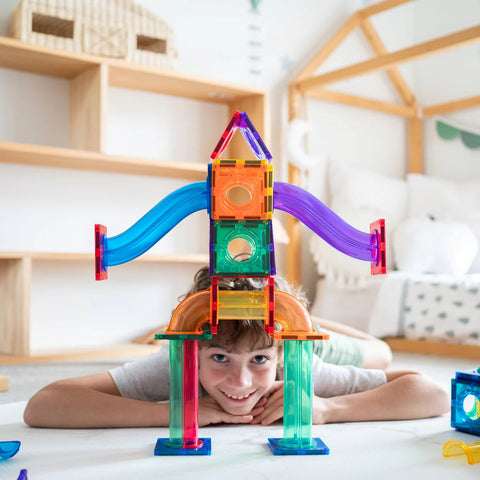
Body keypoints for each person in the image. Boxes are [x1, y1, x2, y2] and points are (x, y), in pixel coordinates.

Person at [23, 267, 449, 429]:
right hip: (259, 333)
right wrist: (170, 411)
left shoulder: (298, 366)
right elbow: (43, 404)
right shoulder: (177, 365)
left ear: (282, 354)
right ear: (193, 350)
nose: (240, 382)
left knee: (380, 352)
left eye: (259, 360)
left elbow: (431, 391)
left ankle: (311, 318)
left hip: (310, 335)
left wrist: (328, 409)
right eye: (220, 357)